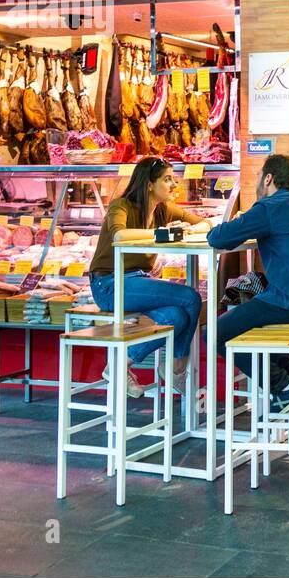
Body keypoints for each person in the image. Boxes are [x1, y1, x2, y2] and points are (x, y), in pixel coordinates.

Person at [208, 154, 289, 411]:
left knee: (215, 333)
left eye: (259, 176)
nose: (257, 180)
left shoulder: (269, 207)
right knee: (249, 309)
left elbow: (218, 238)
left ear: (268, 178)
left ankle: (282, 388)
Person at [88, 157, 209, 398]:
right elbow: (120, 236)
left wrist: (192, 229)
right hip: (109, 284)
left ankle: (120, 365)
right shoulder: (121, 206)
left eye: (173, 179)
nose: (174, 185)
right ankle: (176, 369)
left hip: (137, 280)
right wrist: (161, 233)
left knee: (177, 315)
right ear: (149, 185)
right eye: (167, 179)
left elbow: (205, 222)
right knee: (190, 298)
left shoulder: (163, 209)